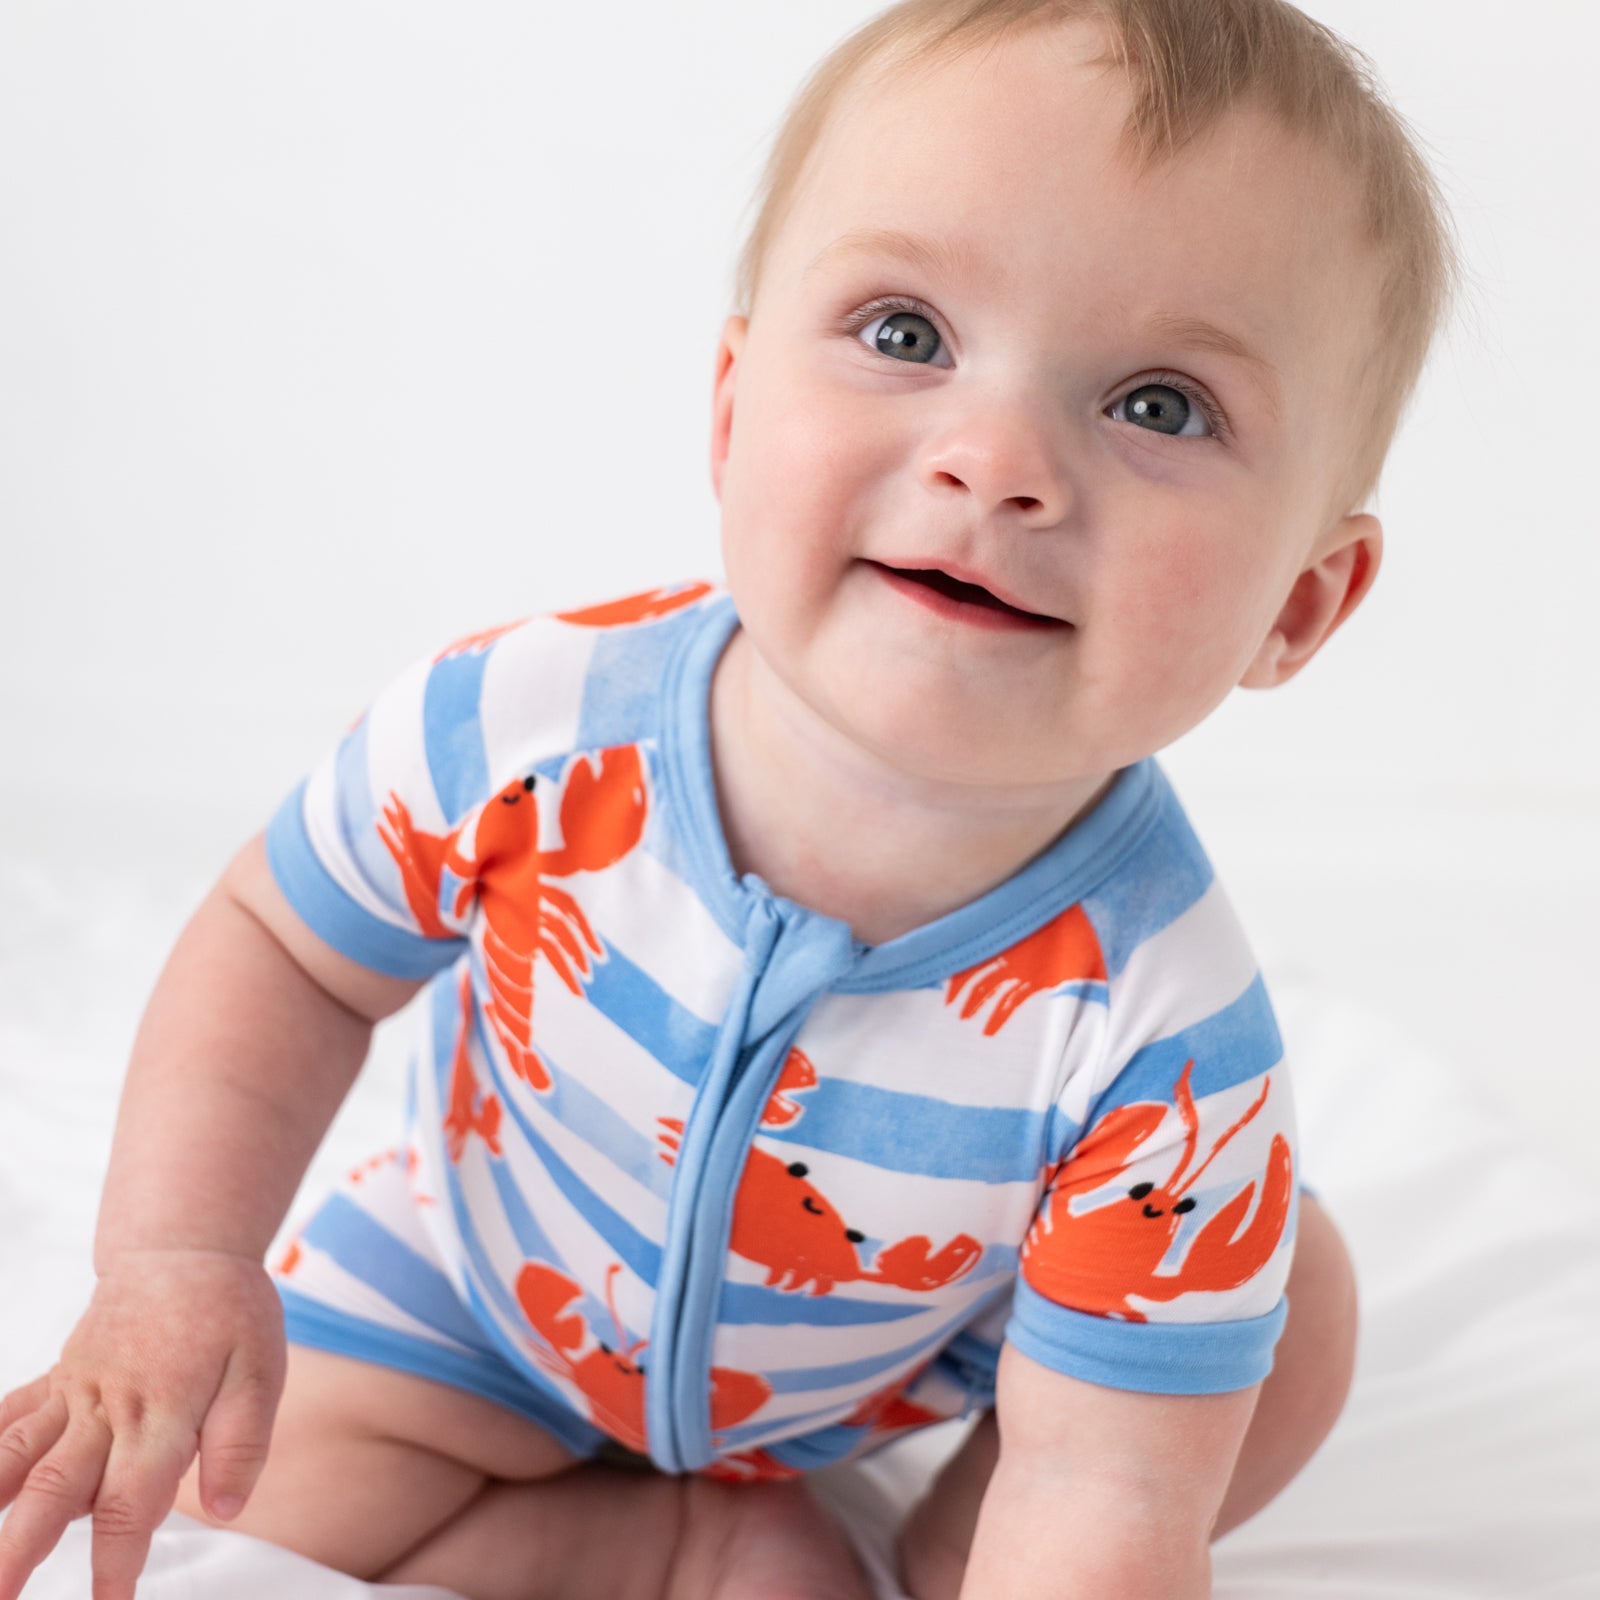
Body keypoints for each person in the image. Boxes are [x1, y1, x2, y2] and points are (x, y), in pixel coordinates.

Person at [0, 0, 1456, 1595]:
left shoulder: (1165, 1040)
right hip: (490, 1290)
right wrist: (178, 1256)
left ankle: (945, 1549)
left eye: (1159, 405)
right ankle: (672, 1544)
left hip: (907, 1356)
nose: (994, 460)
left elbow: (1107, 1487)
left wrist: (1065, 1528)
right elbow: (287, 948)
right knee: (251, 1496)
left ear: (1298, 606)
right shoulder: (524, 728)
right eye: (905, 333)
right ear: (731, 408)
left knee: (1272, 1297)